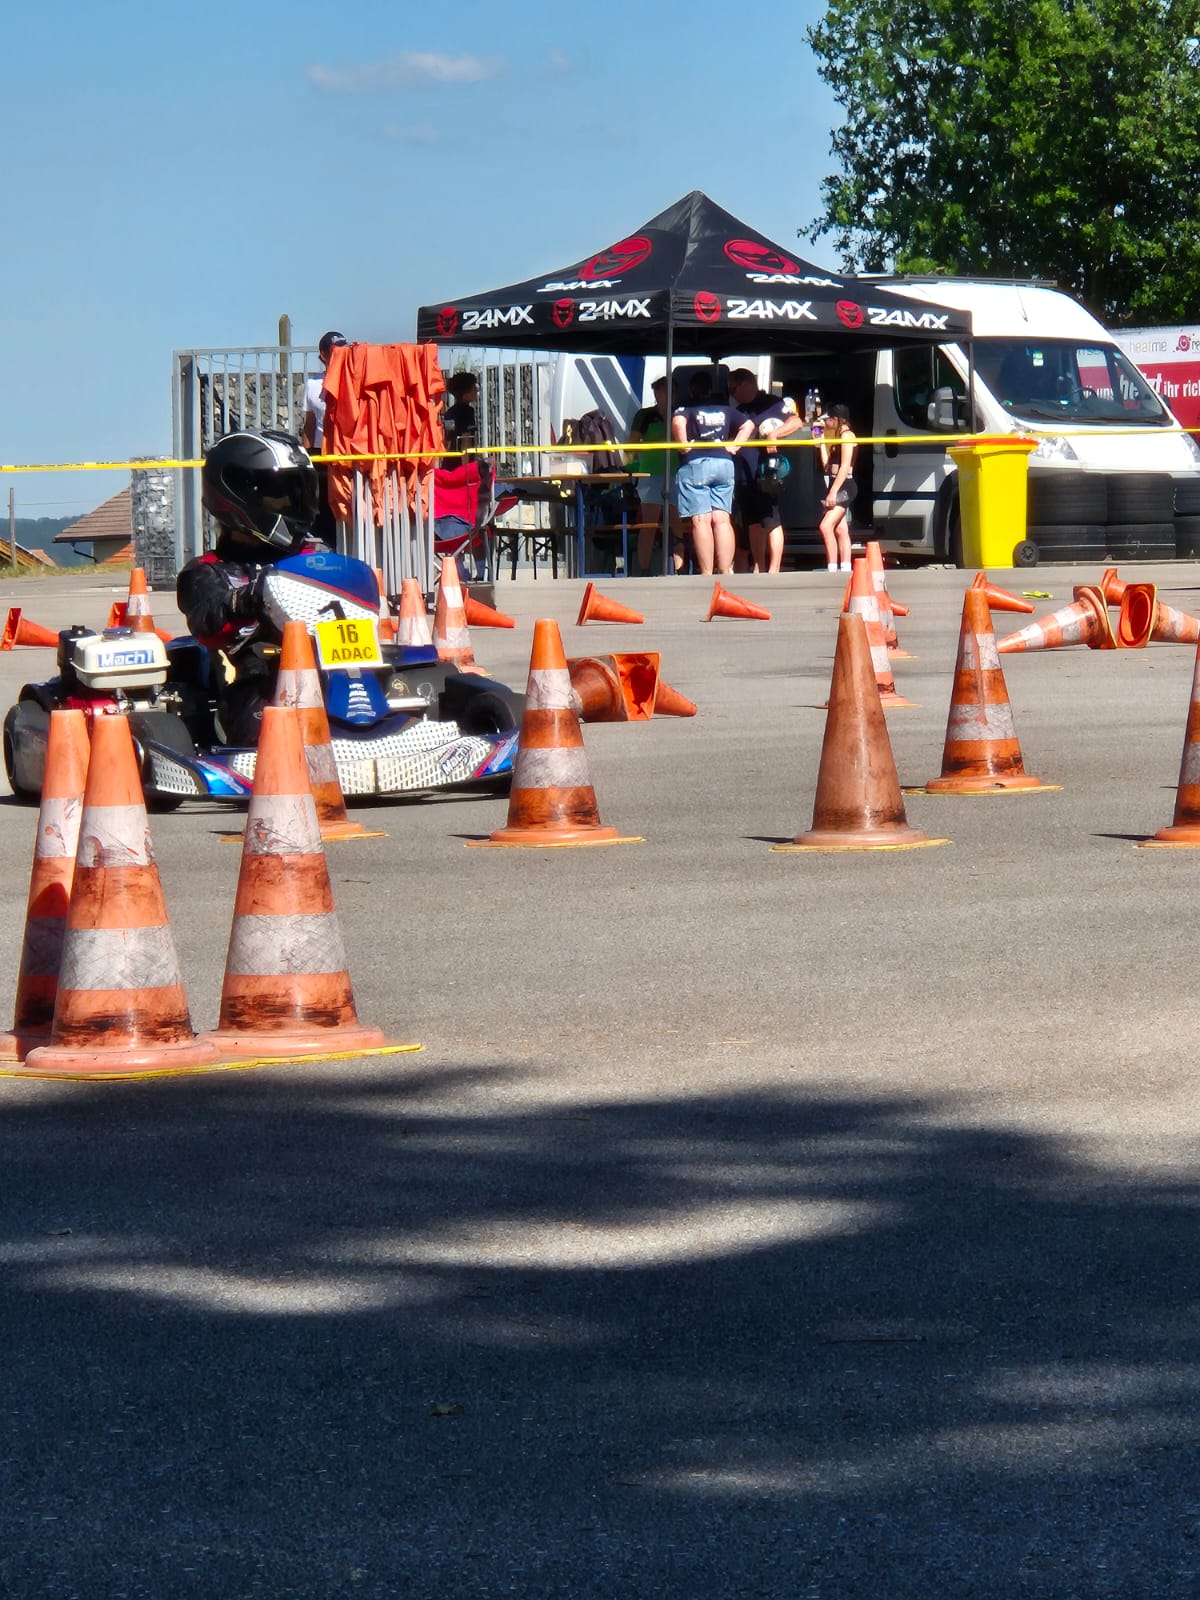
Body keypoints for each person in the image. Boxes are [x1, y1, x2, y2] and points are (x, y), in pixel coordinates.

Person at [177, 429, 325, 745]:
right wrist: (249, 599)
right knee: (262, 710)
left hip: (334, 675)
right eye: (281, 494)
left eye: (299, 493)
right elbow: (207, 622)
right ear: (239, 496)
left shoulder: (315, 559)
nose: (293, 504)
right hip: (253, 688)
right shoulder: (207, 572)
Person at [669, 373, 754, 576]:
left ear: (691, 390)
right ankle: (725, 570)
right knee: (722, 519)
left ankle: (707, 573)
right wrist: (735, 446)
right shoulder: (725, 409)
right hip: (723, 462)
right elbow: (749, 425)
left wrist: (683, 446)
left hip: (696, 463)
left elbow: (678, 423)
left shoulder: (686, 407)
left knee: (701, 520)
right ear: (710, 390)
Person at [727, 369, 806, 575]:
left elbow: (796, 421)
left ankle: (774, 568)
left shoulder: (770, 403)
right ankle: (759, 566)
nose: (733, 394)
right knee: (753, 523)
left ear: (747, 384)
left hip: (765, 473)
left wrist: (774, 435)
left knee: (771, 520)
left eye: (734, 389)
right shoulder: (739, 410)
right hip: (743, 475)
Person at [626, 376, 684, 574]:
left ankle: (680, 569)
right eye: (661, 392)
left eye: (671, 392)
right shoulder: (645, 415)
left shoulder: (679, 415)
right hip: (650, 474)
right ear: (656, 394)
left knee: (676, 523)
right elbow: (631, 444)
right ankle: (644, 570)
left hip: (675, 474)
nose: (666, 396)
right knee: (649, 524)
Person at [301, 330, 348, 542]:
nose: (340, 354)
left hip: (348, 453)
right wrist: (306, 457)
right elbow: (309, 424)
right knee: (323, 505)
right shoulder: (313, 385)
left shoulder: (353, 380)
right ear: (323, 355)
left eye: (343, 350)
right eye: (335, 351)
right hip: (321, 454)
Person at [817, 403, 858, 572]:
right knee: (841, 529)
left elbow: (845, 466)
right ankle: (846, 567)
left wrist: (833, 492)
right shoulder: (837, 437)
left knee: (826, 526)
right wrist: (821, 442)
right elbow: (827, 466)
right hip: (835, 482)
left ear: (836, 419)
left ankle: (832, 567)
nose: (826, 423)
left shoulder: (847, 436)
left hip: (844, 485)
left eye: (828, 419)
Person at [442, 372, 478, 458]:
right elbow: (466, 439)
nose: (476, 391)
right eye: (474, 388)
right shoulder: (467, 411)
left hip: (449, 458)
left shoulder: (450, 412)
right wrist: (466, 465)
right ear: (465, 394)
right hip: (462, 461)